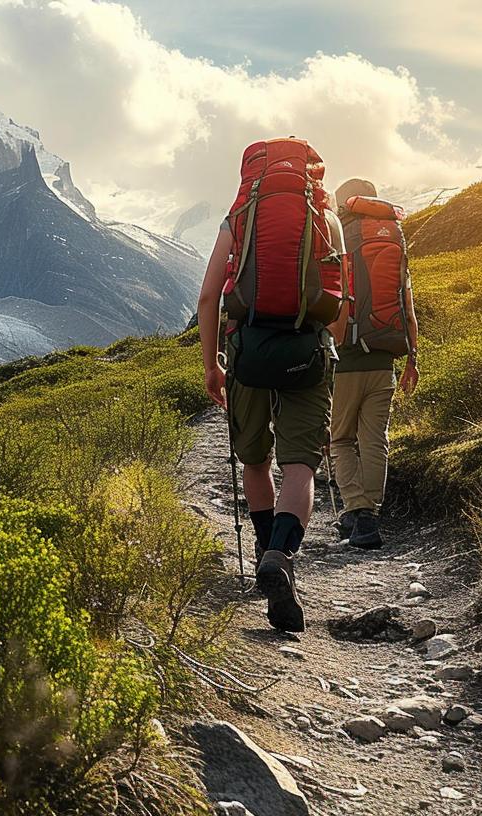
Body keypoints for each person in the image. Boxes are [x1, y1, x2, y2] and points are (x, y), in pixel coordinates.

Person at [199, 138, 344, 634]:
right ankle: (281, 554)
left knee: (256, 462)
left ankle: (265, 550)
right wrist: (330, 353)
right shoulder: (326, 217)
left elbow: (208, 299)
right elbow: (339, 301)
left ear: (251, 175)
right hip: (307, 354)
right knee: (300, 466)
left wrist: (212, 365)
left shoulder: (236, 219)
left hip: (247, 354)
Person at [328, 178, 420, 549]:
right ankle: (368, 513)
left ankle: (358, 511)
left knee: (340, 439)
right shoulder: (393, 239)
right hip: (385, 359)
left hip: (345, 358)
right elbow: (407, 310)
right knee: (375, 439)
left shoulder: (339, 237)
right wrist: (413, 360)